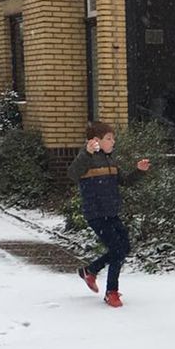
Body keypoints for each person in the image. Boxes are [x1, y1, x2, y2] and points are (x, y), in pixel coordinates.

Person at [67, 121, 150, 307]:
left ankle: (90, 270)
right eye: (109, 138)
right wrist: (87, 153)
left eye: (113, 138)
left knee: (124, 247)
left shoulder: (109, 160)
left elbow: (125, 182)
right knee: (118, 250)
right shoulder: (86, 158)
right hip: (96, 213)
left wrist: (139, 172)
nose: (113, 141)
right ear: (96, 140)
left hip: (111, 212)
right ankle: (111, 292)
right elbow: (72, 174)